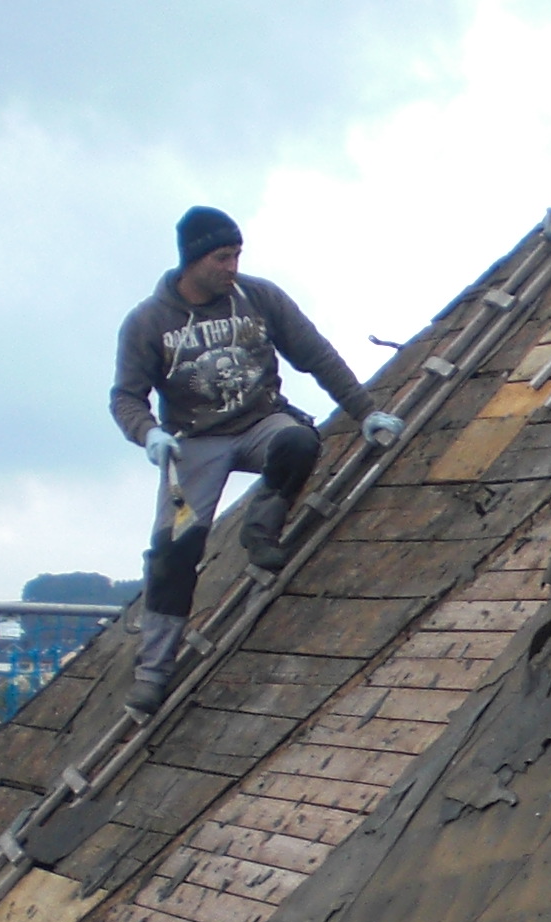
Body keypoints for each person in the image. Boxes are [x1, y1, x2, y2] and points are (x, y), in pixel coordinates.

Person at [110, 206, 402, 714]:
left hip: (259, 421)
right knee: (175, 551)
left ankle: (261, 528)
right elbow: (125, 397)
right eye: (222, 257)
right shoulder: (148, 322)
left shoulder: (258, 298)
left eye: (237, 255)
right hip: (194, 441)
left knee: (298, 442)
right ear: (194, 260)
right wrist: (149, 433)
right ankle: (153, 671)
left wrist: (366, 412)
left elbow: (315, 353)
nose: (232, 266)